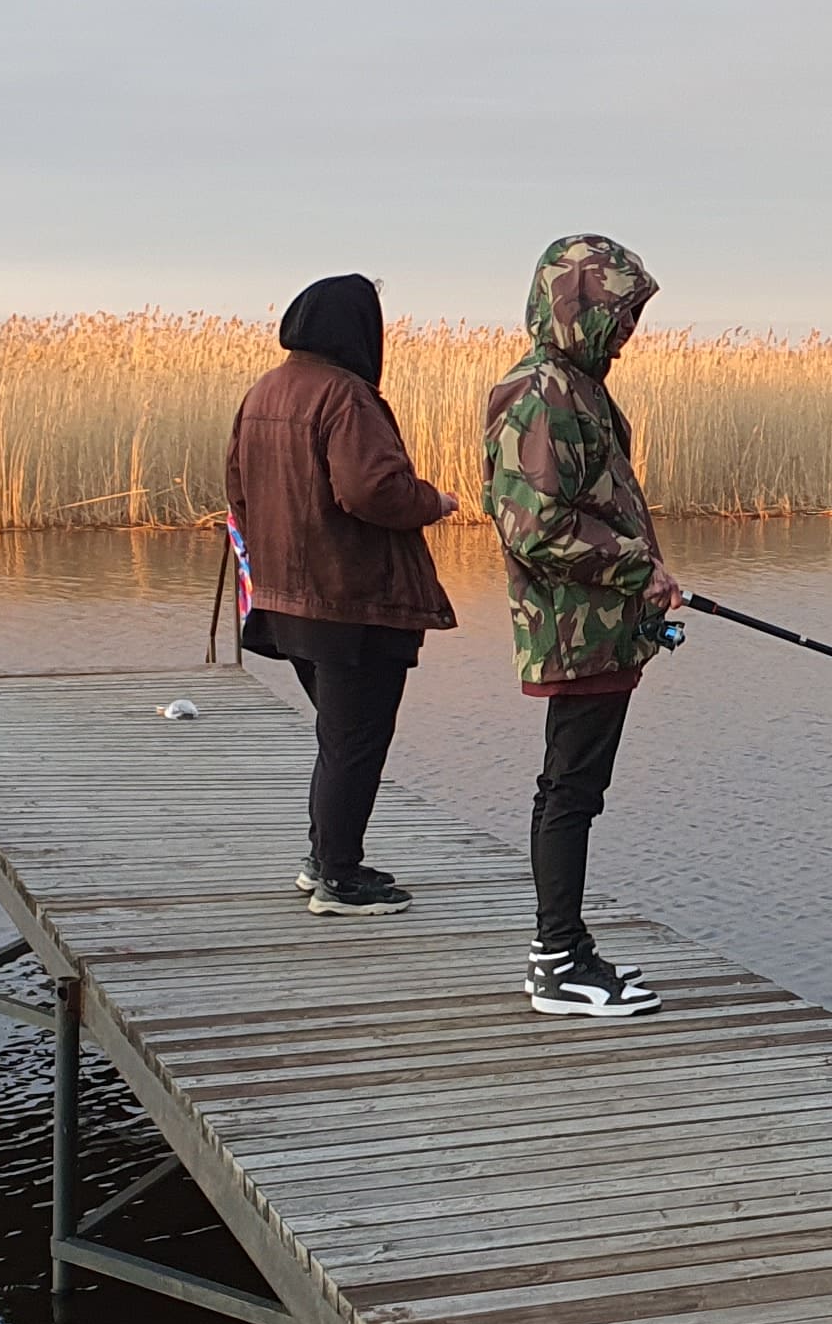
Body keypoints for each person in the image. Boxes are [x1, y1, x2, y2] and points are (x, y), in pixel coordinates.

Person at [484, 233, 683, 1018]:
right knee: (571, 790)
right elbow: (531, 526)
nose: (629, 329)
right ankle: (557, 961)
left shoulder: (577, 385)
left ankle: (563, 950)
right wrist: (641, 569)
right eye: (619, 312)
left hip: (601, 622)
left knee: (574, 787)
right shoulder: (540, 392)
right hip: (574, 624)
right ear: (579, 305)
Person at [226, 273, 456, 915]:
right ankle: (340, 878)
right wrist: (432, 501)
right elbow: (370, 490)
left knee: (338, 735)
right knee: (357, 740)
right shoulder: (346, 397)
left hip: (286, 599)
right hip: (351, 601)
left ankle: (321, 857)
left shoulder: (264, 391)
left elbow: (237, 491)